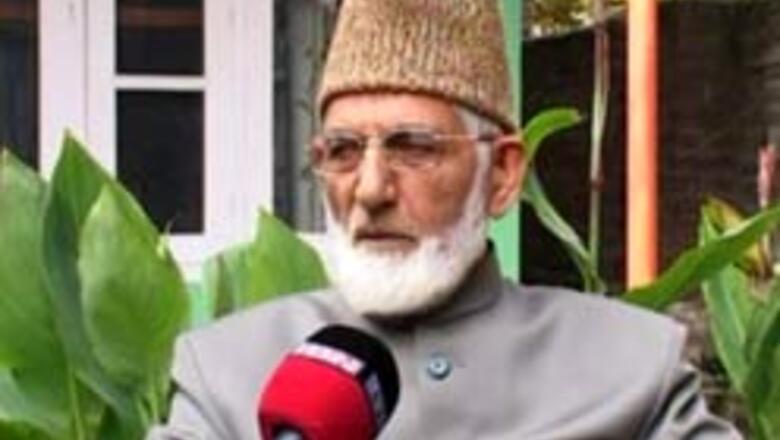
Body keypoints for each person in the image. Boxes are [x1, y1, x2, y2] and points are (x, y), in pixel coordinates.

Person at [148, 0, 741, 438]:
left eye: (413, 147)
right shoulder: (225, 374)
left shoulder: (631, 369)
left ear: (502, 173)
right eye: (344, 151)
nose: (370, 189)